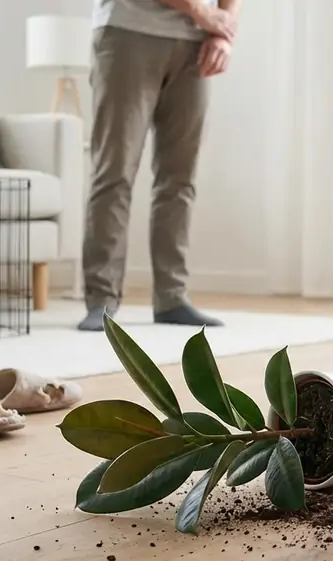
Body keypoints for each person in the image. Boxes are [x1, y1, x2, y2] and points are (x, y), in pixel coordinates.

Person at [79, 0, 239, 331]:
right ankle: (101, 299)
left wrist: (223, 34)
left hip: (195, 42)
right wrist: (201, 13)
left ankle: (172, 297)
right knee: (114, 173)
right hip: (128, 31)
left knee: (179, 179)